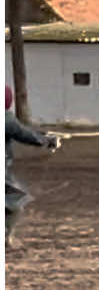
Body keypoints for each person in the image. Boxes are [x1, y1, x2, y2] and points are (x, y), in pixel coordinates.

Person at [6, 86, 60, 245]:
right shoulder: (6, 118)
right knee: (15, 204)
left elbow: (22, 131)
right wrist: (48, 141)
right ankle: (5, 238)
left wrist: (44, 135)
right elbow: (25, 135)